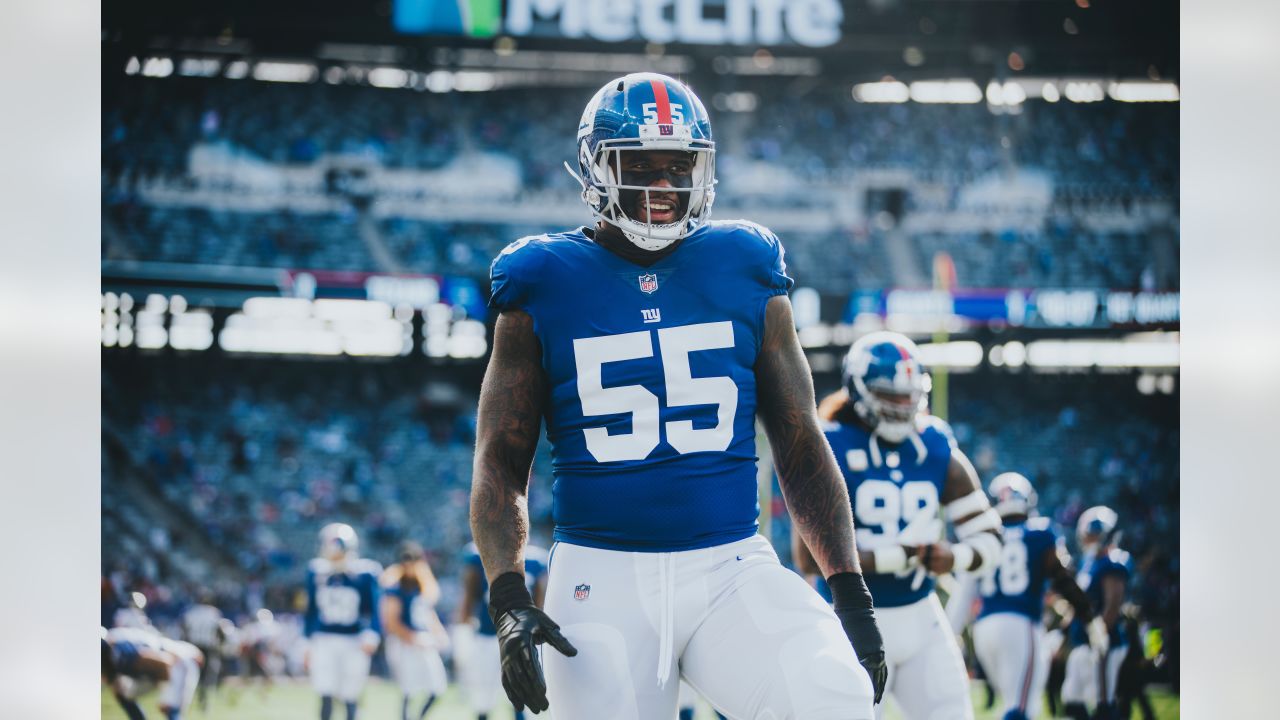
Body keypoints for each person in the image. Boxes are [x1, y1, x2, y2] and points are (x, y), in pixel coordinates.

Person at [470, 71, 885, 720]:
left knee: (832, 696)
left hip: (731, 567)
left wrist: (851, 593)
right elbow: (501, 461)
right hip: (600, 578)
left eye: (679, 166)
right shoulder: (539, 279)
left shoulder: (745, 262)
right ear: (596, 167)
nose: (662, 187)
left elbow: (801, 441)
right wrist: (508, 596)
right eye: (641, 165)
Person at [797, 331, 1003, 720]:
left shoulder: (935, 446)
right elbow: (808, 558)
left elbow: (991, 541)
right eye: (891, 394)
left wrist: (953, 556)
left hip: (923, 618)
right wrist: (904, 555)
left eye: (910, 393)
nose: (904, 404)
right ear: (860, 390)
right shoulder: (831, 444)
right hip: (852, 621)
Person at [970, 472, 1099, 720]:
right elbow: (1063, 579)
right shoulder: (1040, 532)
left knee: (1012, 703)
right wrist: (1087, 614)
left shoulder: (985, 535)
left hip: (983, 628)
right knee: (1021, 708)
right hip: (1020, 623)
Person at [455, 541, 548, 720]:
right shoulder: (480, 555)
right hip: (493, 636)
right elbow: (468, 596)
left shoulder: (536, 560)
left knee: (515, 696)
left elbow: (539, 602)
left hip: (508, 637)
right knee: (486, 695)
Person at [304, 522, 382, 720]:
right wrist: (306, 640)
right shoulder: (317, 572)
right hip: (324, 638)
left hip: (353, 639)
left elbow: (373, 608)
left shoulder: (364, 574)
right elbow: (311, 610)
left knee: (351, 691)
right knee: (325, 689)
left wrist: (372, 633)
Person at [1060, 506, 1132, 720]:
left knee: (1102, 701)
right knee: (1072, 698)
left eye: (1092, 534)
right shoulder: (1089, 563)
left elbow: (1112, 604)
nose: (1087, 539)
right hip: (1083, 641)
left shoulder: (1112, 563)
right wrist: (1063, 630)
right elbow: (1081, 603)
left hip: (1104, 643)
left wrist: (1098, 635)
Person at [381, 541, 449, 720]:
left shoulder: (421, 583)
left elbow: (426, 612)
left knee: (437, 687)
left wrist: (438, 632)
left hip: (423, 641)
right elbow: (391, 621)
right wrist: (414, 638)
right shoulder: (395, 585)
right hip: (405, 643)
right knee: (408, 690)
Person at [102, 625, 204, 720]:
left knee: (170, 709)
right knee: (122, 693)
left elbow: (164, 662)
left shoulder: (118, 649)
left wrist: (168, 693)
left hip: (176, 661)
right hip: (160, 662)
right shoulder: (114, 642)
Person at [180, 588, 225, 712]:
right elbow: (220, 631)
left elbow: (184, 630)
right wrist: (219, 644)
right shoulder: (213, 613)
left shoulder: (190, 612)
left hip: (193, 646)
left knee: (192, 674)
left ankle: (189, 698)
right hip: (207, 647)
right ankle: (203, 698)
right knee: (206, 675)